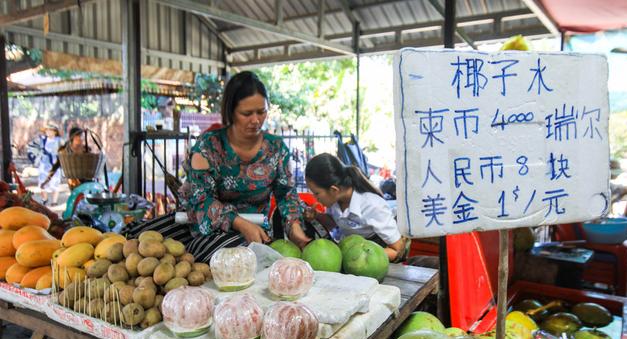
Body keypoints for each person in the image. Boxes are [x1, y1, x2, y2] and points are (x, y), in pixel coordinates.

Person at [124, 71, 311, 262]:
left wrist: (295, 229)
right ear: (230, 112)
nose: (256, 120)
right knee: (134, 239)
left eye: (261, 112)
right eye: (247, 113)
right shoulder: (209, 145)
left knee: (226, 255)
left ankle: (193, 254)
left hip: (249, 233)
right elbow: (200, 198)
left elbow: (287, 195)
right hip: (201, 221)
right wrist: (238, 222)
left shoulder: (276, 149)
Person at [305, 153, 407, 262]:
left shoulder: (372, 206)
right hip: (352, 251)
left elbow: (397, 250)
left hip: (376, 255)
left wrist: (357, 259)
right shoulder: (335, 202)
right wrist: (317, 216)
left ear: (334, 190)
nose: (315, 198)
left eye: (316, 193)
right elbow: (336, 223)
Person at [41, 126, 89, 191]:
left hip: (87, 182)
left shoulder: (86, 150)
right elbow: (55, 166)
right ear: (74, 137)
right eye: (80, 137)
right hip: (74, 184)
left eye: (82, 137)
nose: (81, 139)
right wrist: (46, 181)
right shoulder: (64, 152)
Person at [37, 124, 63, 206]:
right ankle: (44, 199)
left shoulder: (59, 140)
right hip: (44, 164)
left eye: (49, 130)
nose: (47, 132)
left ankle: (54, 201)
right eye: (46, 130)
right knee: (42, 182)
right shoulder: (43, 140)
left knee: (55, 182)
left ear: (55, 132)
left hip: (54, 164)